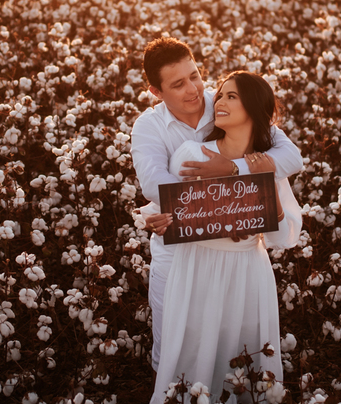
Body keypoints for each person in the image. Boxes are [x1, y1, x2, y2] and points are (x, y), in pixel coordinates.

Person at [133, 71, 301, 404]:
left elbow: (285, 235)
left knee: (244, 363)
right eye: (219, 95)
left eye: (231, 96)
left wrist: (261, 193)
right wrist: (162, 219)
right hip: (197, 270)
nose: (217, 102)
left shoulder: (267, 160)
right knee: (187, 358)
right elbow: (175, 209)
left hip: (248, 272)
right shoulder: (191, 151)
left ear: (255, 109)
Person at [130, 38, 303, 371]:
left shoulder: (226, 102)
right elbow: (155, 185)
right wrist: (221, 209)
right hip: (178, 251)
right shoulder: (148, 126)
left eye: (194, 75)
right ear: (156, 92)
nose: (193, 89)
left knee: (235, 349)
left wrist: (232, 170)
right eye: (178, 84)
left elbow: (290, 156)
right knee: (173, 351)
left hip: (236, 256)